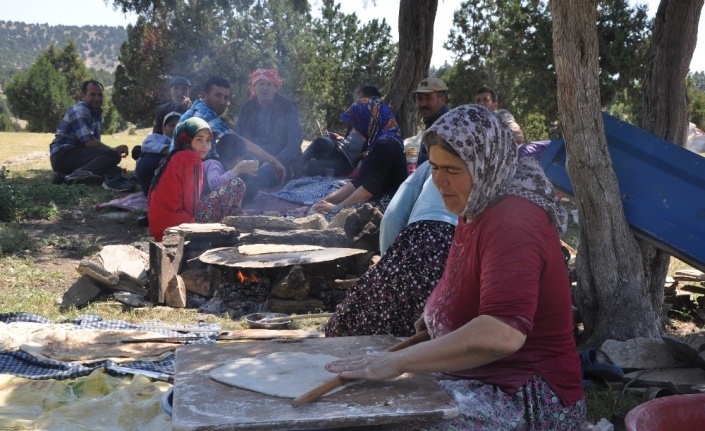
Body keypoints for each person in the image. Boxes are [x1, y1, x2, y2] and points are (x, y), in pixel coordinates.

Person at [325, 105, 585, 430]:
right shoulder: (476, 203)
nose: (440, 181)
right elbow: (464, 275)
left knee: (379, 419)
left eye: (453, 170)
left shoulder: (513, 220)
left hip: (527, 396)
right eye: (434, 167)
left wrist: (397, 361)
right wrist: (436, 310)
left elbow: (502, 334)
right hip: (482, 377)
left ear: (486, 165)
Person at [325, 160, 457, 337]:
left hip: (421, 237)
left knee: (350, 324)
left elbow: (392, 217)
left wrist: (389, 269)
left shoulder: (431, 164)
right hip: (460, 249)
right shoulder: (496, 165)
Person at [180, 76, 286, 184]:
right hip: (188, 178)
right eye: (218, 95)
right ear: (204, 95)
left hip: (185, 171)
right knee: (246, 184)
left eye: (226, 98)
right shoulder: (204, 115)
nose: (222, 102)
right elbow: (238, 141)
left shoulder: (196, 107)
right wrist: (274, 161)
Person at [311, 98, 407, 215]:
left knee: (333, 217)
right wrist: (323, 202)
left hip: (387, 206)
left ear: (369, 120)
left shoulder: (385, 145)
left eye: (357, 123)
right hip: (376, 196)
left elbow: (367, 190)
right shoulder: (378, 142)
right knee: (320, 209)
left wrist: (336, 208)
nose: (354, 130)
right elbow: (358, 182)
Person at [49, 80, 134, 192]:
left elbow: (94, 146)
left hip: (74, 156)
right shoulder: (80, 110)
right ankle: (80, 174)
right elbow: (89, 142)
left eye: (100, 95)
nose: (97, 99)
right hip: (64, 154)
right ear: (83, 95)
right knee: (113, 155)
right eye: (92, 95)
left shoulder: (95, 112)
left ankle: (64, 177)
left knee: (115, 170)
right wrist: (113, 150)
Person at [234, 69, 304, 200]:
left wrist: (275, 161)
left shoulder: (288, 106)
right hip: (254, 158)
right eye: (261, 83)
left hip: (283, 162)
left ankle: (241, 196)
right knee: (238, 172)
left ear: (275, 88)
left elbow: (295, 141)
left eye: (269, 84)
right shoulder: (246, 107)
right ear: (254, 87)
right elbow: (238, 137)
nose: (265, 88)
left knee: (260, 176)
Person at [147, 118, 212, 242]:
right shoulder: (191, 157)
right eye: (199, 139)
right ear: (187, 139)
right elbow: (192, 205)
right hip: (175, 228)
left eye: (208, 140)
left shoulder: (174, 155)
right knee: (236, 185)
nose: (205, 145)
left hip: (158, 228)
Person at [303, 85, 383, 178]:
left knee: (311, 167)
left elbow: (381, 147)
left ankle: (299, 168)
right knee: (320, 142)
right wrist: (339, 138)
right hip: (339, 149)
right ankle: (294, 164)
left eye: (360, 99)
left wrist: (368, 153)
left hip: (347, 162)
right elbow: (352, 140)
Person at [196, 133, 259, 222]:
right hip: (199, 212)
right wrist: (237, 170)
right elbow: (214, 184)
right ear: (238, 158)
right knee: (237, 183)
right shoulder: (213, 164)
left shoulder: (224, 170)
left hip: (204, 210)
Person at [135, 111, 181, 195]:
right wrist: (170, 150)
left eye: (178, 125)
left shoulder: (187, 141)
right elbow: (146, 145)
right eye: (171, 125)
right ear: (163, 128)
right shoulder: (156, 137)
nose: (175, 128)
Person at [412, 76, 450, 166]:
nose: (423, 104)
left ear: (443, 100)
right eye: (420, 99)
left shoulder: (445, 127)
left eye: (428, 98)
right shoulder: (432, 121)